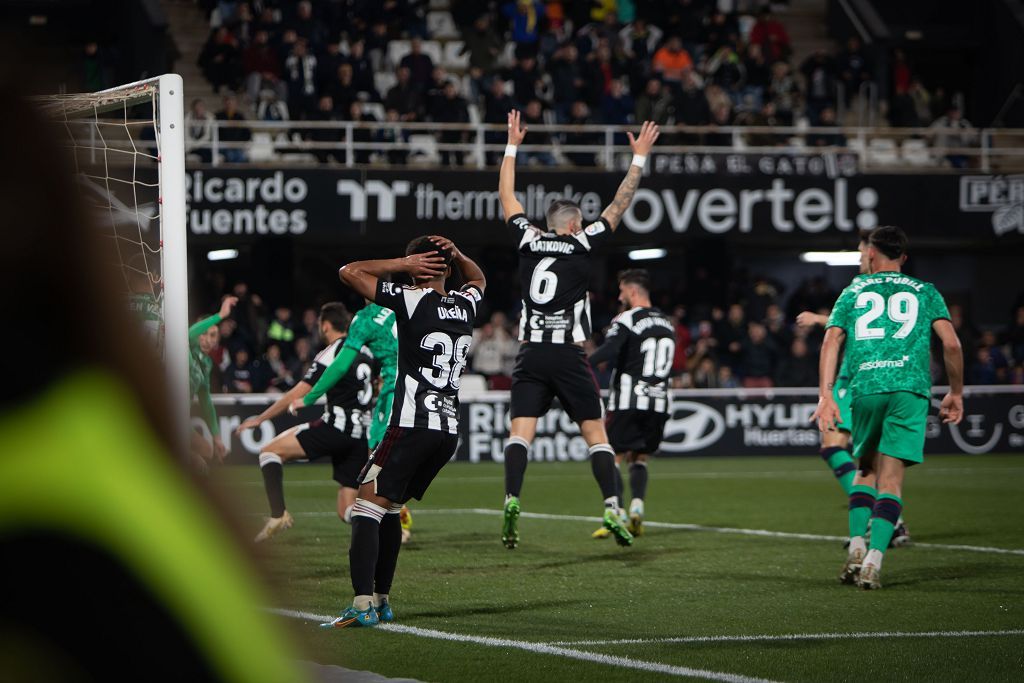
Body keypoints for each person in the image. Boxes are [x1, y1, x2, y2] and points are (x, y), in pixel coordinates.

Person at [498, 109, 660, 549]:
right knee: (595, 435)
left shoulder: (529, 240)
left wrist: (512, 144)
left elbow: (507, 197)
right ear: (573, 225)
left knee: (520, 434)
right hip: (569, 354)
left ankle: (512, 497)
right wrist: (639, 158)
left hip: (531, 354)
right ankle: (611, 505)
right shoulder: (582, 241)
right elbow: (619, 205)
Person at [320, 235, 485, 628]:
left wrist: (402, 263)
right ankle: (382, 600)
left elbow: (349, 272)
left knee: (364, 507)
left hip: (411, 424)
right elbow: (479, 281)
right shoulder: (464, 305)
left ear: (419, 266)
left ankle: (362, 606)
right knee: (390, 506)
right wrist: (459, 255)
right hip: (446, 430)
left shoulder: (412, 300)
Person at [812, 226, 964, 590]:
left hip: (865, 388)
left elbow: (831, 339)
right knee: (891, 480)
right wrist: (955, 392)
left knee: (865, 471)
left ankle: (857, 546)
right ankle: (874, 563)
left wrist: (826, 394)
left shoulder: (853, 290)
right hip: (909, 388)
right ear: (904, 258)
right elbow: (953, 345)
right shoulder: (926, 292)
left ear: (871, 255)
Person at [797, 231, 910, 547]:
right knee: (864, 459)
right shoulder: (902, 290)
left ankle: (886, 520)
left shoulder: (861, 288)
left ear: (873, 253)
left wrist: (819, 320)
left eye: (862, 253)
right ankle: (888, 519)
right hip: (881, 381)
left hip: (856, 380)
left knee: (844, 452)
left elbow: (844, 329)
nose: (861, 258)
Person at [237, 303, 377, 541]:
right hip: (360, 435)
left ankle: (278, 514)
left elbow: (298, 392)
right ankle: (384, 523)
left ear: (325, 326)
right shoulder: (367, 352)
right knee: (346, 509)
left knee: (269, 452)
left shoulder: (334, 351)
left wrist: (261, 419)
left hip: (336, 427)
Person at [588, 269, 675, 539]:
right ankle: (638, 506)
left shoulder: (627, 318)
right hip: (659, 402)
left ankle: (619, 513)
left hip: (629, 398)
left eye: (622, 291)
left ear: (633, 292)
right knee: (640, 457)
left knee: (610, 453)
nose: (619, 296)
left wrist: (578, 364)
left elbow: (610, 350)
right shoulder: (667, 322)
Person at [189, 296, 237, 472]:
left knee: (207, 450)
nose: (210, 340)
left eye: (214, 335)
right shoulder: (183, 348)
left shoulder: (207, 364)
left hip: (180, 421)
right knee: (198, 464)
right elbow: (189, 334)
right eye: (206, 334)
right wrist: (220, 315)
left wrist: (217, 438)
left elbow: (205, 401)